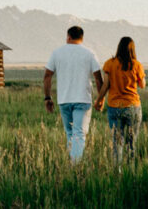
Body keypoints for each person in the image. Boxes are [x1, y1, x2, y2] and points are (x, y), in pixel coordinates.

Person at [43, 26, 103, 163]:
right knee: (79, 134)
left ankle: (71, 162)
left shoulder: (57, 53)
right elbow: (98, 78)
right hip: (82, 99)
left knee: (70, 133)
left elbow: (47, 76)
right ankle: (75, 166)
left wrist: (47, 98)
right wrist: (101, 98)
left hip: (64, 100)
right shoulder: (89, 53)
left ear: (68, 37)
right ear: (82, 38)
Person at [94, 36, 146, 164]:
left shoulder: (109, 64)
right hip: (133, 106)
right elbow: (142, 85)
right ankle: (131, 173)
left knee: (117, 142)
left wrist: (99, 100)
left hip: (114, 107)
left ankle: (118, 172)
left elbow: (105, 85)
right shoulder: (136, 65)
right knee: (131, 142)